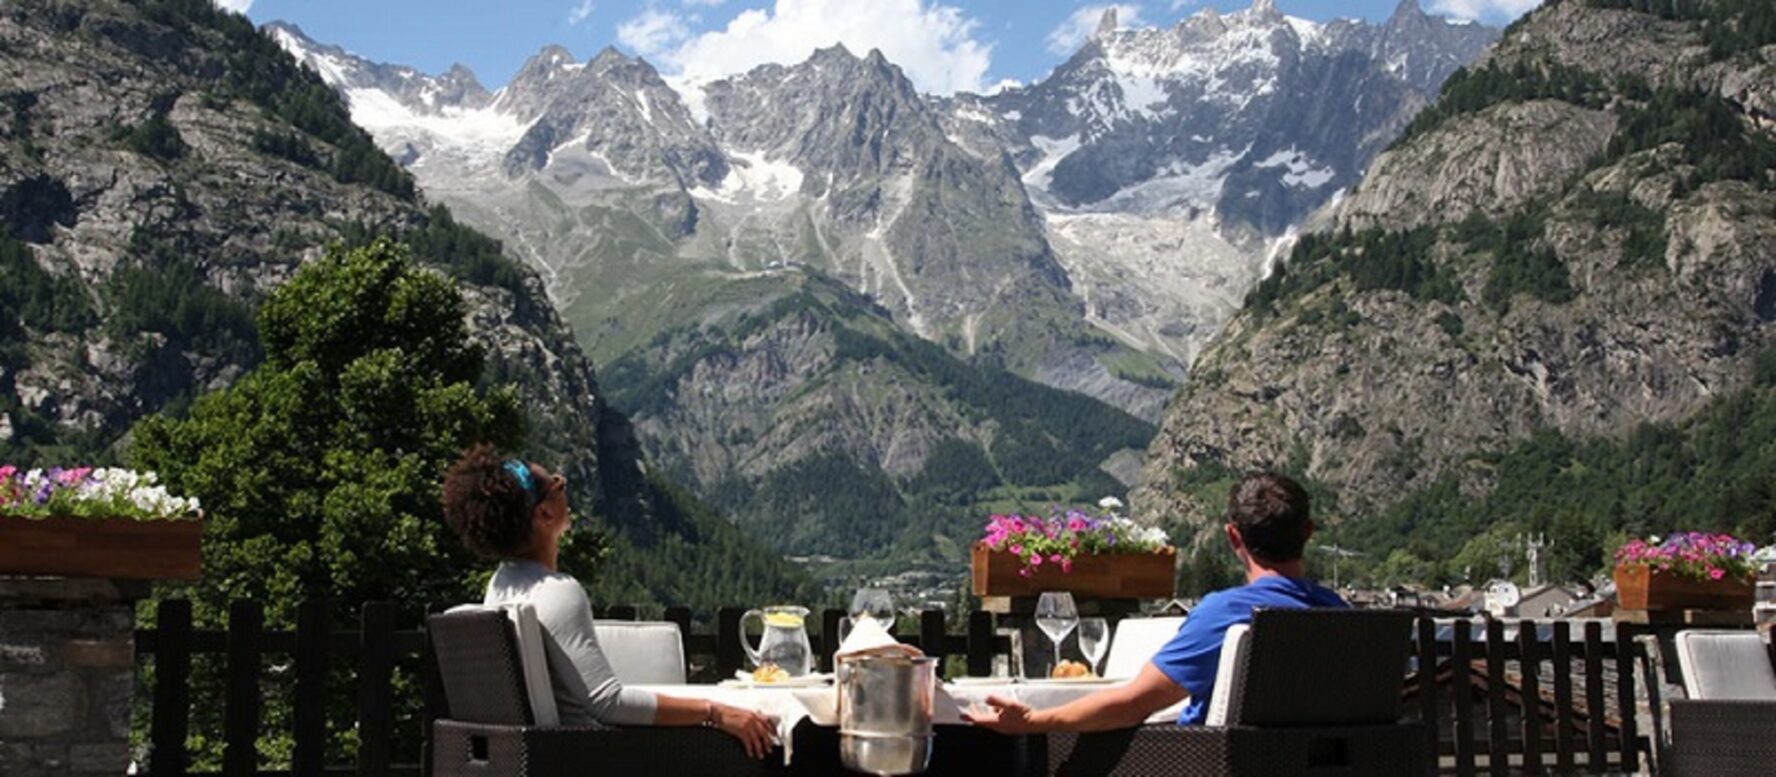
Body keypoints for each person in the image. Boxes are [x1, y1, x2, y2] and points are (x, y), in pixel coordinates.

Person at [441, 444, 777, 758]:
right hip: (601, 757)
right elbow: (608, 702)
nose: (564, 486)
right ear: (543, 514)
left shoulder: (501, 584)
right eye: (557, 484)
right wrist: (713, 712)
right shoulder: (556, 592)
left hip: (559, 757)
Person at [964, 472, 1347, 733]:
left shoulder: (1227, 615)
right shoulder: (1344, 617)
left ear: (1233, 538)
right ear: (1308, 533)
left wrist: (1035, 720)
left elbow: (1132, 704)